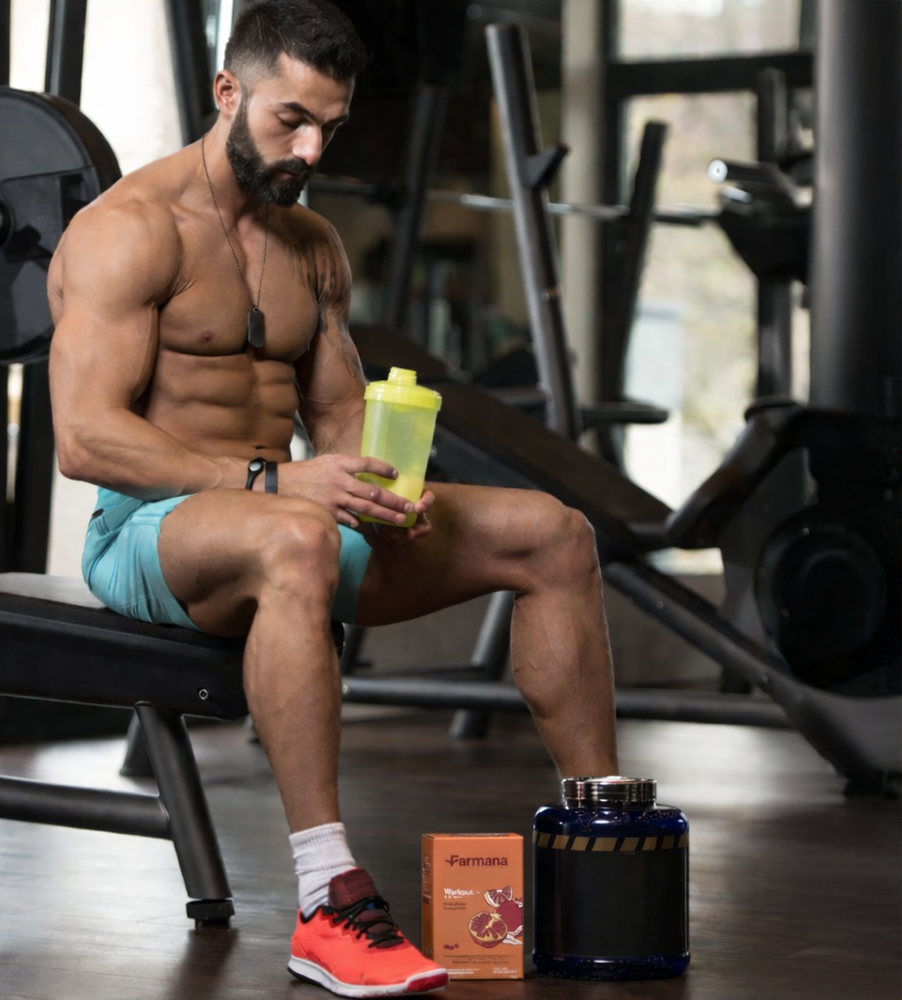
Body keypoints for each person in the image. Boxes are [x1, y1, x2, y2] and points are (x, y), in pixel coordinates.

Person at [48, 1, 619, 995]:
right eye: (291, 120)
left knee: (553, 533)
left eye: (330, 126)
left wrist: (384, 490)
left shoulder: (312, 245)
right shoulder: (127, 233)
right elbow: (84, 438)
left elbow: (338, 414)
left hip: (289, 515)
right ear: (228, 91)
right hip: (151, 532)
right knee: (297, 537)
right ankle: (326, 897)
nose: (311, 149)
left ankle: (602, 841)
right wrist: (275, 483)